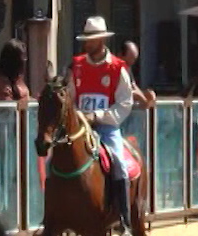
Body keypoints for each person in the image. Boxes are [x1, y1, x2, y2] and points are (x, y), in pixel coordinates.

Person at [66, 16, 134, 236]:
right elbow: (70, 96)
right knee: (53, 163)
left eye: (92, 40)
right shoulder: (77, 66)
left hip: (106, 127)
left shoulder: (117, 68)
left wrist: (99, 115)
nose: (88, 44)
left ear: (102, 41)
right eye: (87, 39)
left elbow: (125, 103)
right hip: (79, 128)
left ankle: (124, 220)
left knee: (118, 163)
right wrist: (74, 115)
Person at [119, 41, 156, 108]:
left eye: (134, 59)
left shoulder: (127, 68)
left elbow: (133, 86)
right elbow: (122, 93)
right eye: (129, 59)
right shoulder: (115, 69)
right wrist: (139, 97)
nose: (131, 62)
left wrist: (145, 95)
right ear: (120, 55)